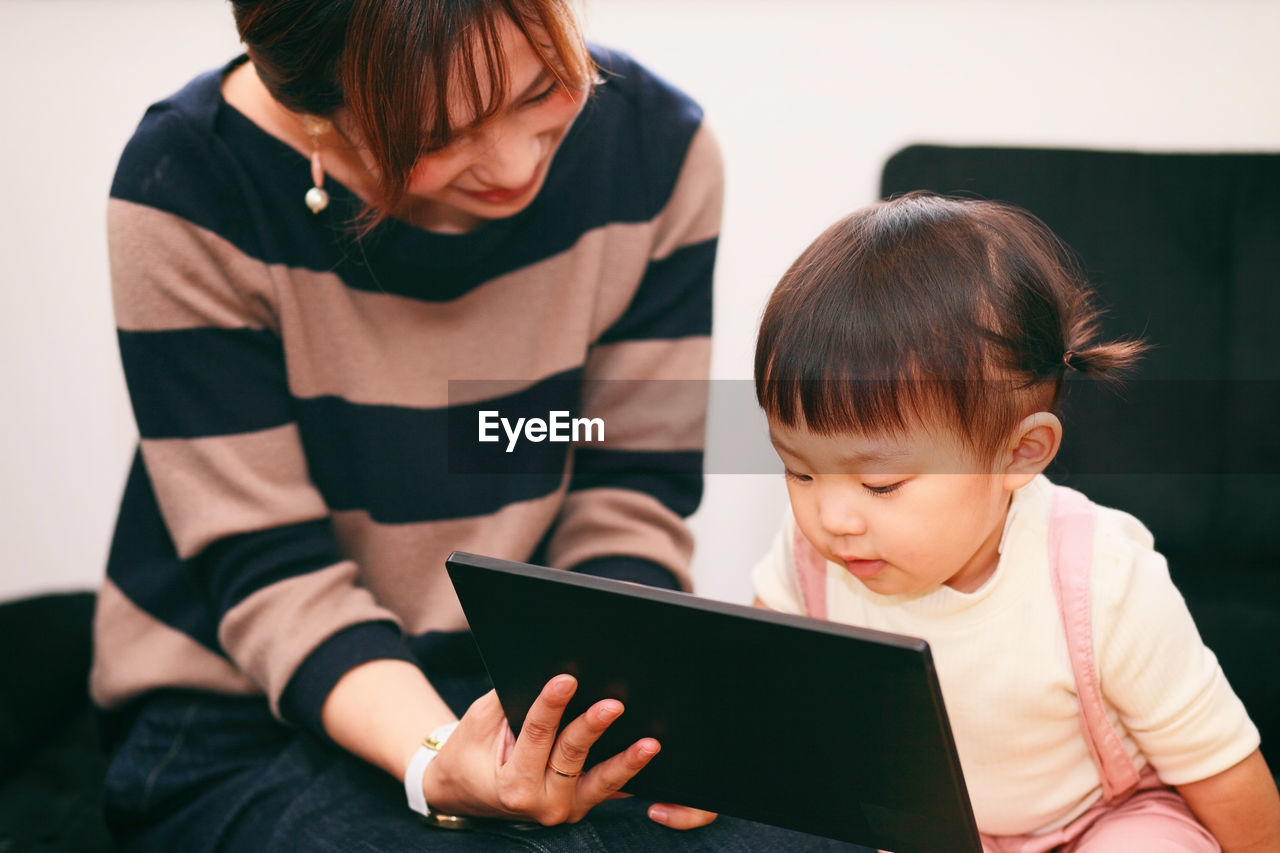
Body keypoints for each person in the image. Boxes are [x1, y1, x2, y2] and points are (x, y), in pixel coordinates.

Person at [90, 1, 871, 850]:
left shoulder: (656, 151)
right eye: (431, 137)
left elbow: (628, 486)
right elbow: (268, 568)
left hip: (520, 684)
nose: (512, 162)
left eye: (544, 86)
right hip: (244, 717)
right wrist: (436, 759)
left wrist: (599, 712)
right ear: (315, 105)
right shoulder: (190, 180)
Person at [751, 192, 1280, 852]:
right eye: (798, 470)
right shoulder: (808, 553)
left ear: (1019, 453)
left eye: (879, 483)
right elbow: (752, 689)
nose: (830, 516)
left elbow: (1224, 770)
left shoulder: (1101, 574)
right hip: (923, 827)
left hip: (1102, 818)